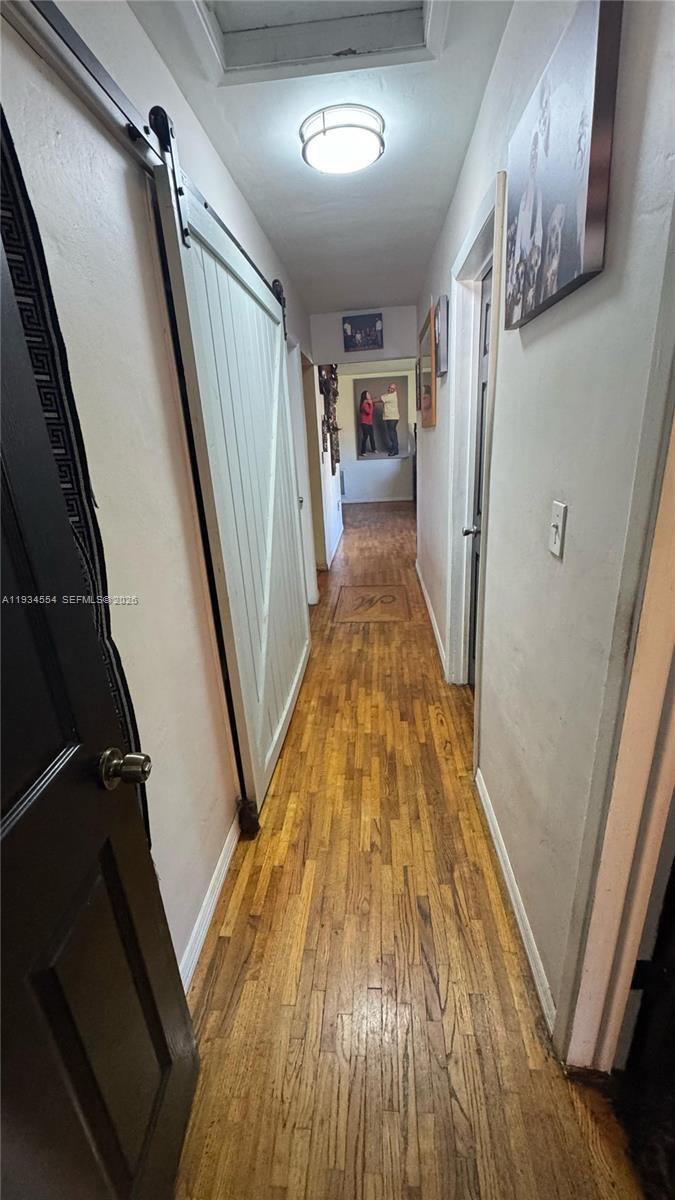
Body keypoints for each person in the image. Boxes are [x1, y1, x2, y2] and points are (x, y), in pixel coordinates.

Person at [379, 382, 400, 456]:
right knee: (393, 434)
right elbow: (382, 397)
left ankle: (394, 451)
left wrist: (370, 401)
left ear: (394, 390)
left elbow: (380, 399)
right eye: (389, 387)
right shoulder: (388, 395)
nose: (390, 389)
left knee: (392, 435)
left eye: (392, 388)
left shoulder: (392, 396)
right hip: (390, 417)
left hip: (392, 418)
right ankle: (396, 450)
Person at [358, 390, 376, 454]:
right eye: (368, 394)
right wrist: (370, 404)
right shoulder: (364, 404)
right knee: (365, 437)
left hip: (370, 423)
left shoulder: (367, 403)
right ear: (365, 396)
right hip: (364, 423)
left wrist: (371, 403)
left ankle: (374, 449)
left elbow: (372, 409)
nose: (369, 395)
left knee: (372, 436)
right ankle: (363, 452)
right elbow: (369, 412)